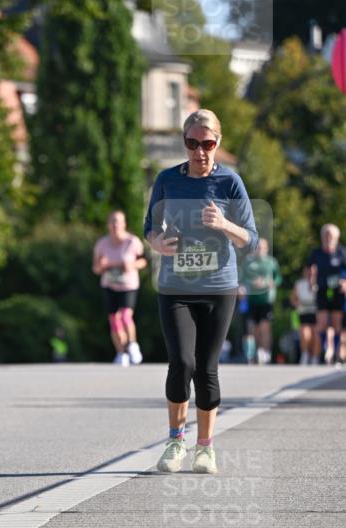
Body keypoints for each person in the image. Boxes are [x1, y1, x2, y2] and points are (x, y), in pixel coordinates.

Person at [144, 109, 258, 475]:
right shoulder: (166, 180)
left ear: (218, 143)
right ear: (185, 144)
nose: (200, 151)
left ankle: (205, 447)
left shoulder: (230, 183)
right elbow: (150, 227)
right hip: (176, 286)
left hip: (219, 287)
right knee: (182, 363)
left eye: (207, 144)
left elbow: (251, 240)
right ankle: (176, 440)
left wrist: (225, 223)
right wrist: (158, 242)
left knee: (207, 369)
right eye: (192, 143)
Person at [92, 210, 147, 366]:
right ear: (108, 225)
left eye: (118, 221)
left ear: (124, 224)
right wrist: (101, 266)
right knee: (114, 320)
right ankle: (121, 353)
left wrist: (132, 265)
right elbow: (95, 268)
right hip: (109, 285)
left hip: (128, 285)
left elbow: (143, 261)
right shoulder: (102, 244)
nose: (115, 225)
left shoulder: (132, 242)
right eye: (112, 222)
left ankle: (132, 344)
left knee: (125, 315)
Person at [306, 224, 346, 365]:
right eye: (326, 235)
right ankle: (325, 348)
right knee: (322, 323)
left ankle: (336, 351)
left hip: (337, 291)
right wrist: (311, 281)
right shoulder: (316, 253)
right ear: (322, 237)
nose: (328, 238)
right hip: (322, 289)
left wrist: (345, 283)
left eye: (331, 236)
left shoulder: (342, 252)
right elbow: (309, 268)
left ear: (336, 237)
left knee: (336, 323)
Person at [240, 238, 281, 364]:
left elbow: (278, 278)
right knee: (253, 329)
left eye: (263, 247)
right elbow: (241, 278)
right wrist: (241, 287)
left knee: (265, 327)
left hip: (266, 300)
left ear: (267, 249)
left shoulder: (271, 262)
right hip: (251, 299)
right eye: (258, 247)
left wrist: (271, 283)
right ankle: (253, 354)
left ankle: (265, 352)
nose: (260, 249)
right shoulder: (247, 261)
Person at [290, 266, 320, 364]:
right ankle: (305, 355)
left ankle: (315, 357)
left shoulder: (320, 283)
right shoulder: (299, 284)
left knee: (316, 335)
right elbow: (293, 298)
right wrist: (298, 304)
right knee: (305, 334)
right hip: (303, 312)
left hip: (316, 313)